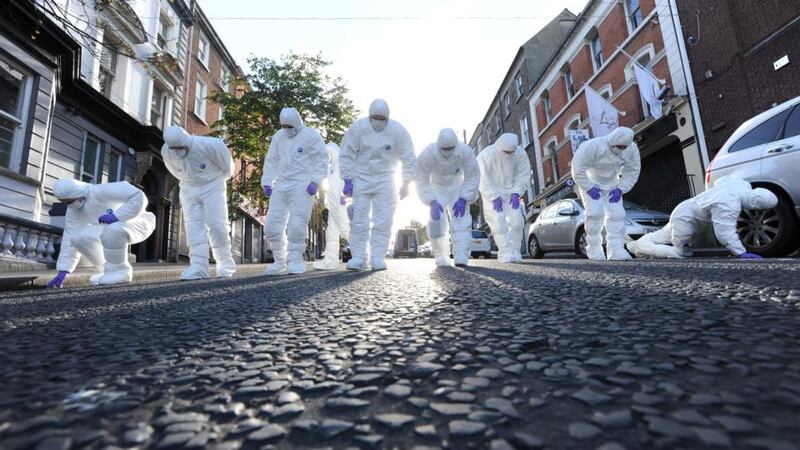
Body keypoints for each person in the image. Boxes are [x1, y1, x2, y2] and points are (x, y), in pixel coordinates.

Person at [340, 99, 416, 271]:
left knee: (384, 219)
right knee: (359, 219)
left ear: (387, 118)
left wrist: (406, 182)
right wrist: (347, 179)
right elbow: (346, 153)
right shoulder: (359, 128)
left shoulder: (398, 131)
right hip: (362, 176)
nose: (378, 121)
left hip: (387, 177)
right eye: (375, 117)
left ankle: (377, 257)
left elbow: (409, 156)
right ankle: (358, 257)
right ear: (369, 116)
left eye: (382, 118)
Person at [627, 176, 778, 259]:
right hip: (686, 219)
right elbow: (724, 233)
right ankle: (638, 247)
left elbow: (720, 180)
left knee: (660, 236)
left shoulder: (741, 185)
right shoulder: (729, 204)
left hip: (686, 210)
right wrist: (740, 252)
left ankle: (636, 246)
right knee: (681, 254)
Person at [45, 179, 156, 288]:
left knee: (113, 229)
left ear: (79, 193)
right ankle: (106, 270)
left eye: (69, 201)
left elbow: (138, 196)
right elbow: (70, 237)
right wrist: (64, 270)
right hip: (109, 227)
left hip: (138, 221)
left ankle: (121, 272)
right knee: (78, 237)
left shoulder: (100, 191)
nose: (68, 205)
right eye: (64, 203)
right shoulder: (73, 211)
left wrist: (117, 216)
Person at [162, 125, 236, 280]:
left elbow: (228, 168)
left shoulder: (211, 145)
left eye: (180, 147)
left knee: (217, 224)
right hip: (189, 188)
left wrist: (213, 181)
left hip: (213, 185)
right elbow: (175, 170)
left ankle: (224, 264)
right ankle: (198, 266)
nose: (177, 151)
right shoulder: (166, 151)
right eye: (174, 148)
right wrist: (190, 180)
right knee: (193, 227)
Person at [262, 107, 327, 275]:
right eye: (284, 126)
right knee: (271, 227)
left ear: (298, 123)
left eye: (290, 126)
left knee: (297, 224)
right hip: (282, 185)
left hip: (302, 185)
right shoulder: (278, 137)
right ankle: (280, 261)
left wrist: (315, 181)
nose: (287, 130)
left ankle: (295, 260)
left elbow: (321, 159)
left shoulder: (311, 136)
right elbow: (271, 160)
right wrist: (267, 182)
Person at [571, 127, 641, 260]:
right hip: (592, 183)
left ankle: (616, 249)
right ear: (612, 141)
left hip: (613, 185)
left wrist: (621, 188)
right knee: (595, 214)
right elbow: (578, 168)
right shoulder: (593, 146)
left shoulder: (631, 149)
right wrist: (588, 187)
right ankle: (594, 249)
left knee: (617, 215)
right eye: (618, 146)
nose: (620, 150)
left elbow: (632, 171)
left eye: (623, 147)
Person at [416, 128, 480, 267]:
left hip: (457, 186)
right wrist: (431, 200)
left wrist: (464, 198)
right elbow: (421, 178)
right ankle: (441, 256)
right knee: (436, 222)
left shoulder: (465, 151)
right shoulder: (428, 153)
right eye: (444, 149)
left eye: (451, 148)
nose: (448, 152)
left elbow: (473, 175)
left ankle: (461, 255)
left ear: (456, 145)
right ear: (438, 145)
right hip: (437, 187)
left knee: (461, 221)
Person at [476, 133, 530, 263]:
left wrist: (517, 192)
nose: (509, 154)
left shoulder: (520, 154)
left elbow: (523, 174)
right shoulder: (486, 155)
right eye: (507, 152)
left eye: (512, 152)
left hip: (512, 190)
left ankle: (515, 251)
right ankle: (505, 252)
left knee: (517, 221)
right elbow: (481, 178)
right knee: (498, 223)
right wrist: (493, 196)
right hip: (493, 190)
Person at [313, 143, 351, 270]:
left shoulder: (341, 163)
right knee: (332, 232)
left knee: (345, 228)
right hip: (333, 202)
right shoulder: (332, 166)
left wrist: (343, 195)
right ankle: (330, 261)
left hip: (339, 202)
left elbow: (347, 179)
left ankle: (363, 255)